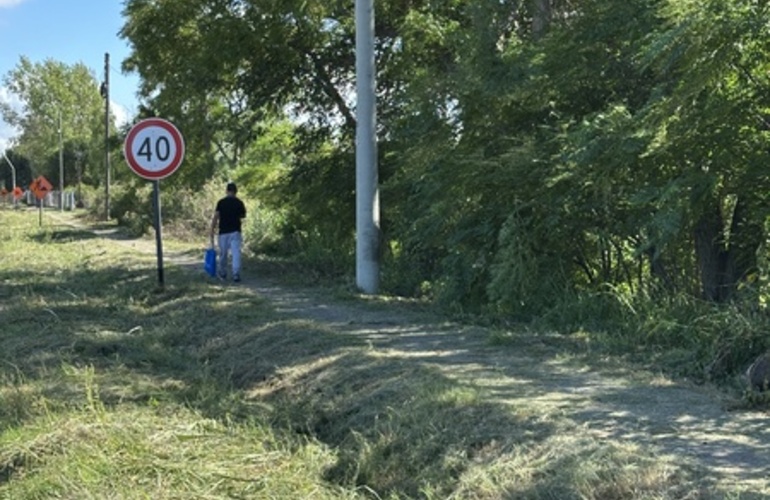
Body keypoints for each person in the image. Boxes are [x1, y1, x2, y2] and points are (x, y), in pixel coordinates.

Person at [210, 182, 246, 282]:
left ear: (226, 191)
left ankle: (223, 272)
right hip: (235, 231)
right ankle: (236, 274)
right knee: (236, 253)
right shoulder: (239, 202)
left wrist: (212, 231)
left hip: (223, 232)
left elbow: (216, 217)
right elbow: (242, 215)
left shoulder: (221, 202)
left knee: (223, 253)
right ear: (236, 191)